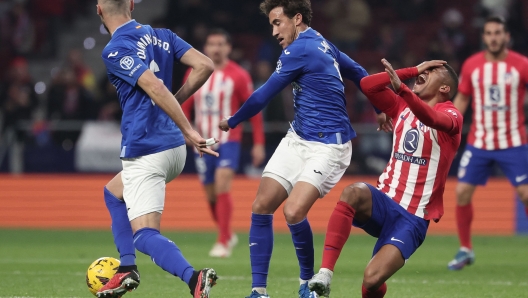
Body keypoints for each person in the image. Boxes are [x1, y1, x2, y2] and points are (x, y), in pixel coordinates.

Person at [219, 1, 389, 297]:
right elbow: (359, 72)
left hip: (329, 146)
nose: (273, 31)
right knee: (261, 206)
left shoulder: (300, 49)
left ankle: (307, 284)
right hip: (298, 138)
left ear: (297, 19)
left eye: (277, 22)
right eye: (271, 24)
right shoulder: (321, 42)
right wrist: (378, 107)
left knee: (294, 211)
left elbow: (262, 96)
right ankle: (258, 291)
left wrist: (233, 121)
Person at [94, 1, 219, 297]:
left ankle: (194, 278)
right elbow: (205, 65)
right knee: (113, 193)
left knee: (145, 235)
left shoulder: (115, 48)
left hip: (147, 148)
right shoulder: (162, 34)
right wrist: (176, 108)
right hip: (173, 147)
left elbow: (155, 88)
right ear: (132, 5)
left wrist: (188, 129)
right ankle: (127, 268)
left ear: (99, 9)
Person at [308, 58, 462, 297]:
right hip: (385, 201)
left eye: (432, 71)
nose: (424, 72)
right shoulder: (401, 105)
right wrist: (411, 70)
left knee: (371, 280)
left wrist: (402, 88)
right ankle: (325, 274)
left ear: (445, 88)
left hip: (413, 218)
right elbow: (369, 85)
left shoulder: (451, 114)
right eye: (424, 69)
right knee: (353, 191)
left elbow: (431, 119)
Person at [448, 16, 528, 271]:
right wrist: (450, 124)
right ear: (484, 37)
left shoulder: (521, 65)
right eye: (489, 33)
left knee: (526, 194)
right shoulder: (472, 65)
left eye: (498, 33)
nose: (493, 37)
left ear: (506, 36)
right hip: (479, 142)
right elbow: (462, 98)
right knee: (461, 192)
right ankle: (465, 249)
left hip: (513, 141)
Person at [182, 29, 266, 258]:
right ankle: (227, 232)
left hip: (229, 140)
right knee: (210, 194)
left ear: (228, 48)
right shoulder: (194, 72)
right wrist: (186, 132)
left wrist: (258, 143)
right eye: (211, 44)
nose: (216, 48)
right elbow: (183, 105)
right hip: (202, 141)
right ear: (205, 48)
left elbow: (254, 111)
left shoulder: (239, 75)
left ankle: (222, 241)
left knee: (222, 184)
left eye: (220, 44)